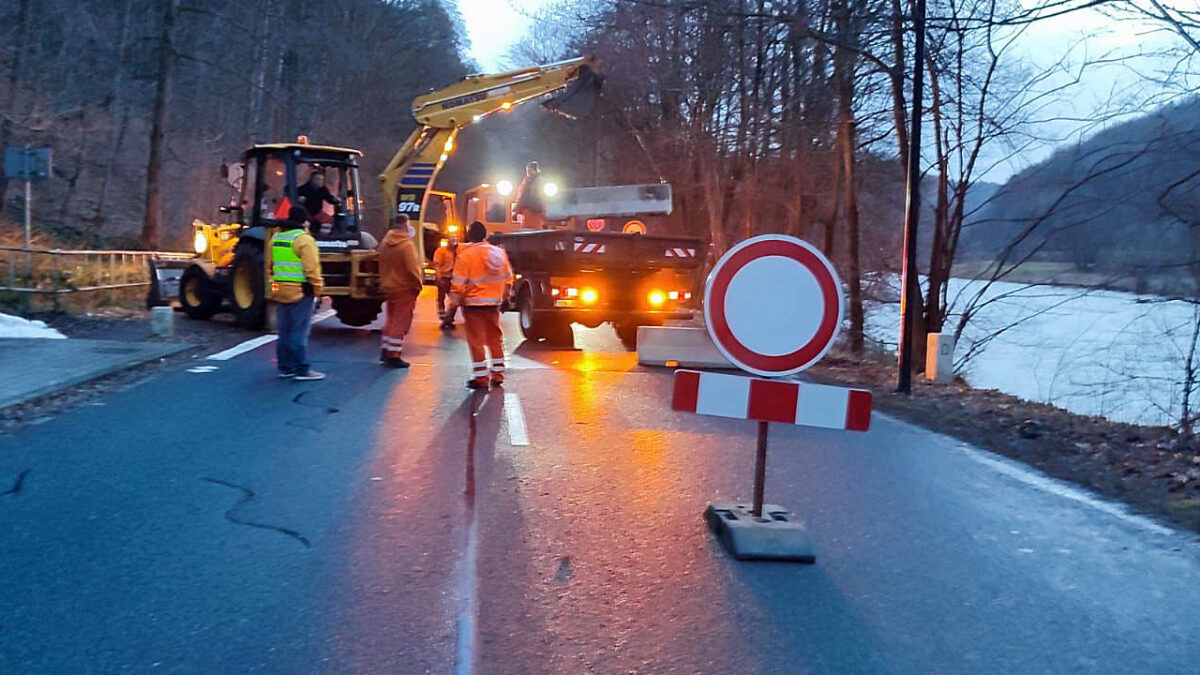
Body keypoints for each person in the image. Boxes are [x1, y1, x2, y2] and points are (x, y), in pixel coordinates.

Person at [451, 221, 513, 389]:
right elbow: (508, 279)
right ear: (485, 235)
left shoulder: (466, 256)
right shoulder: (499, 253)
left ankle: (481, 378)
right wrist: (505, 298)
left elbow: (458, 284)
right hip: (494, 304)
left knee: (476, 342)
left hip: (473, 305)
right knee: (495, 339)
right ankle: (498, 375)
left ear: (470, 236)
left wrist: (454, 304)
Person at [271, 205, 325, 381]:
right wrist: (318, 290)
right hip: (301, 293)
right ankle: (302, 369)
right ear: (304, 221)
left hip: (280, 291)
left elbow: (269, 268)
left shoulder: (276, 238)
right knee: (299, 332)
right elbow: (312, 270)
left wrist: (274, 289)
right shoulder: (304, 240)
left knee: (284, 332)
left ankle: (285, 368)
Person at [377, 213, 423, 368]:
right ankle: (394, 355)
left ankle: (386, 350)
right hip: (404, 288)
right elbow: (412, 270)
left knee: (390, 320)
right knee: (401, 322)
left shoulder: (385, 242)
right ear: (405, 225)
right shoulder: (407, 245)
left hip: (389, 286)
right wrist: (418, 285)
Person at [433, 236, 458, 327]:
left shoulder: (457, 252)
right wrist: (438, 276)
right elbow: (437, 264)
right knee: (441, 298)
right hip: (444, 277)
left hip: (454, 278)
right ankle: (444, 316)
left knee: (455, 299)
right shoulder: (441, 251)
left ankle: (449, 317)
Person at [513, 161, 545, 230]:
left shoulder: (540, 182)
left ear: (535, 170)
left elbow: (543, 199)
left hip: (536, 213)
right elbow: (520, 197)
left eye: (530, 170)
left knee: (535, 232)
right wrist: (516, 211)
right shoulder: (525, 182)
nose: (529, 172)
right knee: (526, 231)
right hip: (527, 212)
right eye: (527, 171)